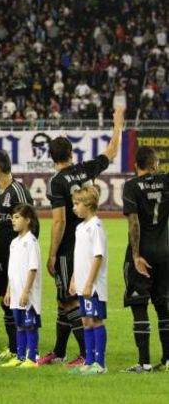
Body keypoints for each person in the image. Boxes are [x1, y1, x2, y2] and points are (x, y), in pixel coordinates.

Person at [41, 107, 123, 367]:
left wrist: (53, 253)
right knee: (62, 299)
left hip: (69, 246)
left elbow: (59, 220)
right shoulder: (85, 169)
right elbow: (111, 152)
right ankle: (59, 350)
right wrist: (118, 124)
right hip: (84, 242)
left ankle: (86, 355)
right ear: (71, 154)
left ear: (51, 157)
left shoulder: (56, 181)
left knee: (69, 300)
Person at [0, 149, 39, 361]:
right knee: (3, 297)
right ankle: (14, 347)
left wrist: (28, 248)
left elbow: (32, 219)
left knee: (20, 298)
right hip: (2, 251)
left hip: (19, 254)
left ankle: (27, 349)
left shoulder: (18, 190)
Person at [121, 147, 169, 373]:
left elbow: (134, 223)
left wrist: (136, 255)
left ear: (135, 165)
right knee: (163, 305)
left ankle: (144, 363)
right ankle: (167, 360)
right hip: (165, 252)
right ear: (155, 164)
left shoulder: (131, 186)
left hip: (143, 253)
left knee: (139, 304)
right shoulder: (166, 181)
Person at [69, 187, 109, 375]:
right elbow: (80, 257)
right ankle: (89, 360)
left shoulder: (96, 226)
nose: (73, 207)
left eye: (77, 204)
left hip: (93, 287)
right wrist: (74, 279)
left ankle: (100, 364)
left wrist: (88, 283)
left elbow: (98, 256)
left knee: (95, 320)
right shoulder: (80, 227)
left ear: (89, 205)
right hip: (82, 284)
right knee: (85, 321)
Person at [1, 204, 42, 369]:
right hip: (16, 291)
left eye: (17, 217)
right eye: (13, 217)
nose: (13, 220)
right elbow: (12, 269)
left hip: (27, 293)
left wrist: (26, 291)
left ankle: (31, 358)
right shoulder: (14, 242)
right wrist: (9, 290)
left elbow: (33, 268)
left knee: (29, 324)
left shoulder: (31, 242)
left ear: (28, 220)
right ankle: (20, 356)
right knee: (19, 324)